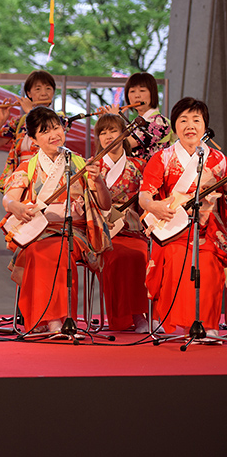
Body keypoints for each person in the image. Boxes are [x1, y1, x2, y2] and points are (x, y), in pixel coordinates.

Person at [2, 107, 111, 334]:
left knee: (57, 249)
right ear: (33, 139)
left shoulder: (80, 163)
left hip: (74, 231)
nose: (53, 135)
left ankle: (54, 319)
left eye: (56, 128)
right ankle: (47, 319)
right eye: (44, 131)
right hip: (40, 231)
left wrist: (98, 180)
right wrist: (17, 207)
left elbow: (104, 204)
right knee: (39, 251)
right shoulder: (28, 167)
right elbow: (9, 197)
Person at [139, 97, 227, 340]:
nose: (190, 125)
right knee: (177, 257)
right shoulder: (163, 158)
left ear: (205, 125)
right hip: (173, 229)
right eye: (183, 120)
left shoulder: (219, 160)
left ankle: (208, 322)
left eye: (196, 120)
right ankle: (176, 323)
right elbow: (144, 196)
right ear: (175, 126)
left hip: (208, 229)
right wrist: (154, 206)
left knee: (209, 261)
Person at [93, 115, 151, 332]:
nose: (108, 136)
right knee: (119, 256)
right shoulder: (93, 166)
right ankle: (135, 316)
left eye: (113, 131)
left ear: (124, 133)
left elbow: (147, 200)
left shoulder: (139, 165)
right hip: (103, 231)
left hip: (133, 229)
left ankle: (151, 314)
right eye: (103, 132)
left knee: (144, 255)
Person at [0, 70, 56, 194]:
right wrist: (1, 120)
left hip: (45, 172)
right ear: (29, 93)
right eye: (38, 89)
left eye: (48, 88)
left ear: (53, 92)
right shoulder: (20, 121)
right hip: (21, 173)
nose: (44, 93)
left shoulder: (59, 119)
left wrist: (31, 111)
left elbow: (50, 142)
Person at [105, 72, 174, 160]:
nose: (137, 96)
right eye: (132, 91)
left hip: (148, 173)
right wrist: (105, 123)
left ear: (152, 93)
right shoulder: (136, 122)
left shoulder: (158, 121)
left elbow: (125, 144)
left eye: (142, 91)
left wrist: (114, 120)